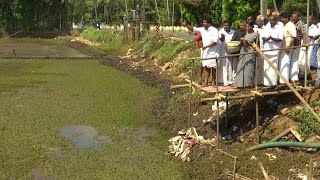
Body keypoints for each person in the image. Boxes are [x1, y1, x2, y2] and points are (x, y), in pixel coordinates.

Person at [180, 17, 219, 87]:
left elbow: (215, 41)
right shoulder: (202, 29)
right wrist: (186, 25)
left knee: (213, 67)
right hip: (206, 51)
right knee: (206, 66)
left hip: (214, 51)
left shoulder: (214, 30)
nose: (203, 24)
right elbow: (193, 29)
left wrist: (207, 46)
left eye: (205, 22)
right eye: (203, 22)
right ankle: (206, 81)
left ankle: (213, 82)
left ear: (209, 23)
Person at [261, 15, 283, 87]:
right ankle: (266, 83)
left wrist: (272, 38)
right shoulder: (267, 26)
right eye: (270, 20)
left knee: (273, 67)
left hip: (275, 50)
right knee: (266, 66)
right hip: (267, 49)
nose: (271, 22)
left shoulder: (279, 27)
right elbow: (263, 37)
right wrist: (266, 38)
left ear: (276, 21)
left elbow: (280, 39)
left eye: (273, 20)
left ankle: (273, 83)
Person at [234, 22, 257, 88]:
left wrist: (247, 42)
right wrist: (242, 41)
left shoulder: (255, 34)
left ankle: (248, 84)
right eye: (246, 27)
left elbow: (255, 44)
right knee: (241, 66)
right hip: (243, 51)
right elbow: (241, 44)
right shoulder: (245, 34)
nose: (247, 28)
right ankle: (240, 84)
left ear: (252, 27)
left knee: (249, 67)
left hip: (250, 51)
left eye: (249, 27)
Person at [279, 12, 297, 84]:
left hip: (287, 48)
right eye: (281, 18)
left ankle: (284, 81)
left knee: (285, 63)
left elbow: (293, 37)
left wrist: (288, 45)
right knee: (281, 64)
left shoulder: (291, 25)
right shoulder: (283, 25)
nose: (281, 19)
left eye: (282, 18)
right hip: (281, 47)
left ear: (287, 18)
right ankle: (281, 80)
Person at [218, 20, 235, 86]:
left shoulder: (233, 32)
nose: (226, 26)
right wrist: (223, 38)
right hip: (222, 51)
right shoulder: (221, 32)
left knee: (230, 66)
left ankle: (230, 80)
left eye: (227, 25)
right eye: (224, 25)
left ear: (230, 26)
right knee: (224, 66)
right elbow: (221, 40)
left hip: (231, 51)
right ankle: (223, 81)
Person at [291, 11, 307, 80]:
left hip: (297, 45)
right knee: (292, 61)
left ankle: (296, 77)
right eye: (292, 17)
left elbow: (304, 34)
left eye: (295, 17)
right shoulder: (292, 24)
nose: (293, 18)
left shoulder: (301, 24)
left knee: (295, 61)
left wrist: (305, 42)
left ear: (298, 17)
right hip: (291, 45)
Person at [254, 15, 266, 85]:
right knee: (256, 66)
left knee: (262, 66)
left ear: (262, 22)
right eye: (257, 21)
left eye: (259, 21)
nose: (257, 22)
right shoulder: (254, 29)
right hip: (255, 50)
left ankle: (262, 81)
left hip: (263, 50)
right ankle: (256, 82)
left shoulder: (266, 28)